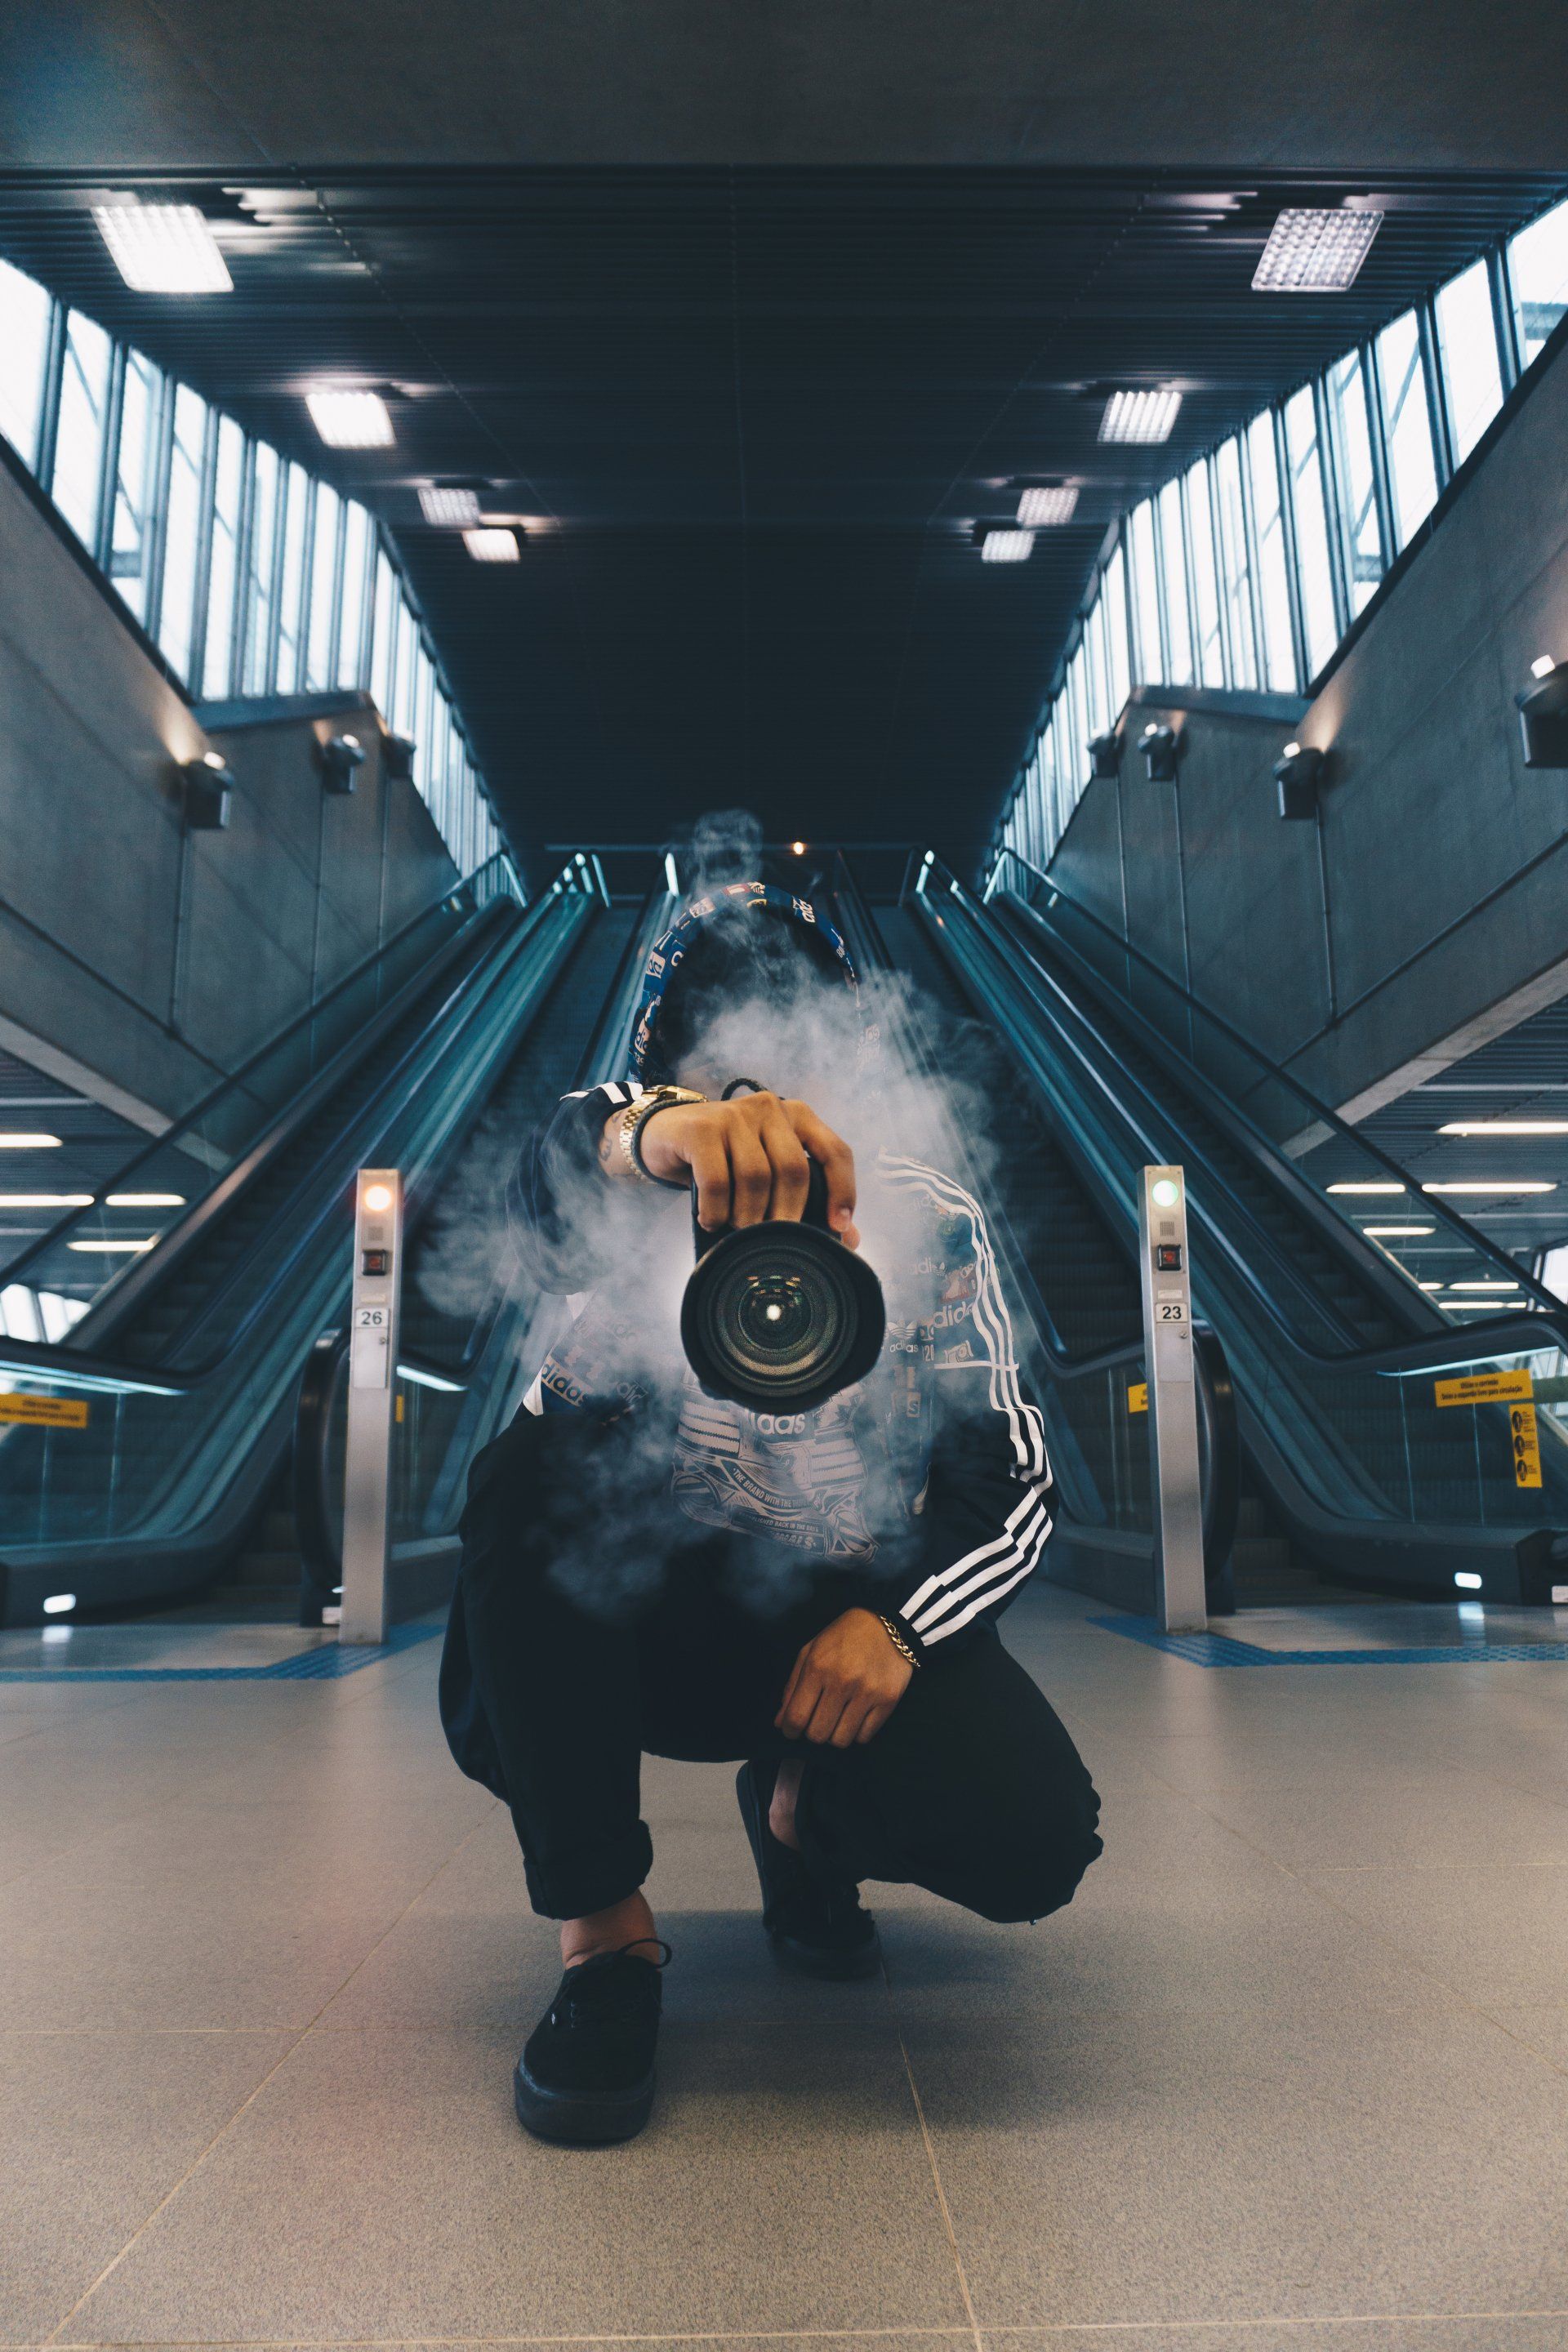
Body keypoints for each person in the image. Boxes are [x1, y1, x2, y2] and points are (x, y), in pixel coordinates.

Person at [439, 877, 1102, 2145]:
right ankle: (604, 1945)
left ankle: (809, 1828)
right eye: (704, 1034)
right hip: (642, 1630)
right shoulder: (620, 1173)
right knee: (527, 1475)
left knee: (1035, 1840)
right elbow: (534, 1191)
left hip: (836, 1633)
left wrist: (900, 1633)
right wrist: (646, 1145)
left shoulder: (925, 1214)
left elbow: (1012, 1484)